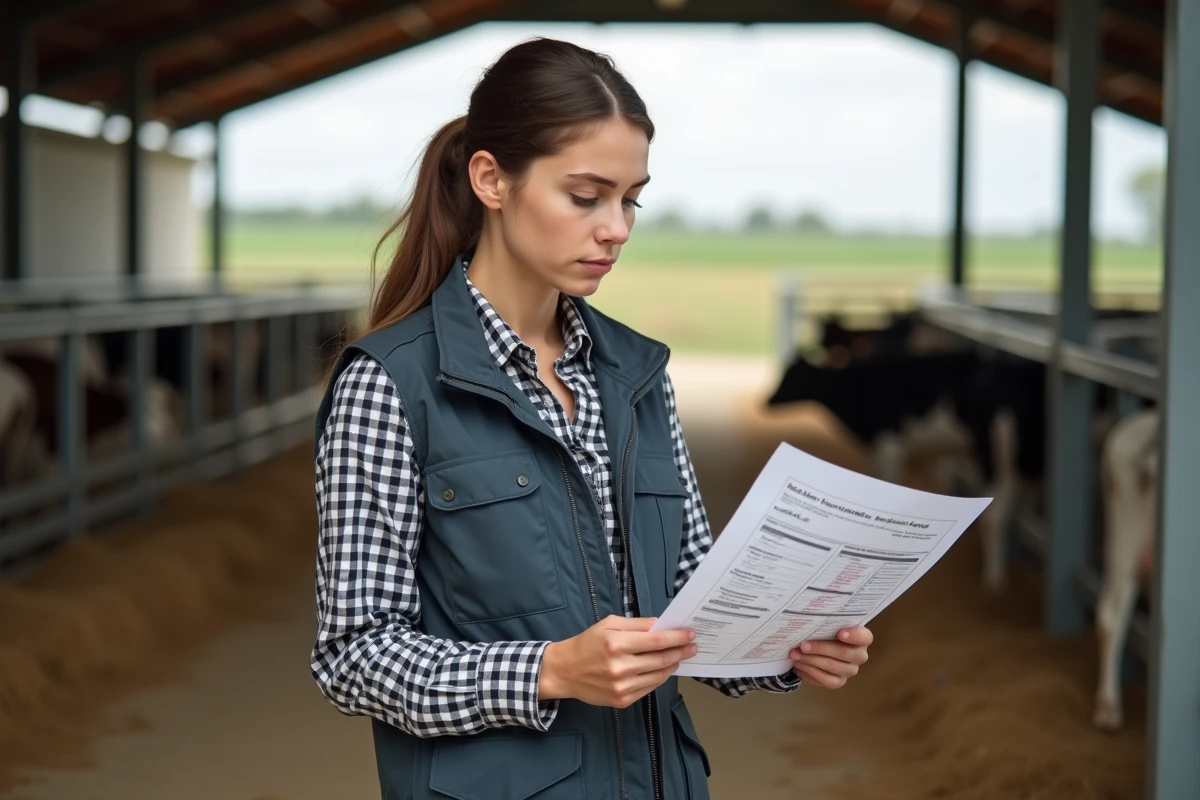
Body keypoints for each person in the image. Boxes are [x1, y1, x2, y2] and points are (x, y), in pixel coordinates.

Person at [311, 37, 873, 800]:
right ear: (491, 180)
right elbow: (355, 656)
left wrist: (786, 649)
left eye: (631, 198)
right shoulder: (388, 386)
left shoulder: (637, 376)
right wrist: (549, 670)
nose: (617, 228)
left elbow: (689, 597)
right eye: (586, 196)